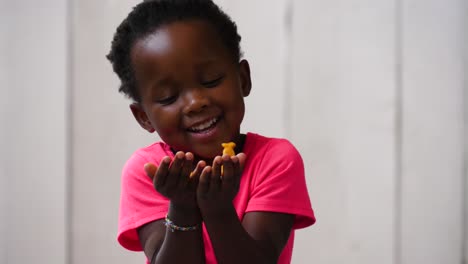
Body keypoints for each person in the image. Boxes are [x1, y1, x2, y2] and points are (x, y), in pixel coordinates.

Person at [106, 0, 315, 263]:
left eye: (211, 81)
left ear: (242, 79)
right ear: (144, 117)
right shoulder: (148, 171)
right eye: (169, 97)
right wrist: (182, 206)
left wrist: (217, 209)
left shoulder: (275, 160)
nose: (196, 103)